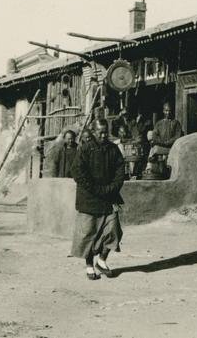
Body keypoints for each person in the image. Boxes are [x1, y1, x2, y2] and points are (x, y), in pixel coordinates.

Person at [70, 119, 125, 280]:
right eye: (99, 132)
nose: (103, 135)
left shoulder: (113, 149)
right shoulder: (85, 149)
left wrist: (112, 188)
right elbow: (78, 172)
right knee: (88, 233)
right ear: (93, 132)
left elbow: (120, 170)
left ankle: (101, 261)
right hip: (89, 198)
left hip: (109, 197)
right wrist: (95, 189)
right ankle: (89, 265)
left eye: (105, 132)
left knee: (113, 230)